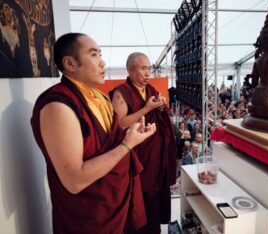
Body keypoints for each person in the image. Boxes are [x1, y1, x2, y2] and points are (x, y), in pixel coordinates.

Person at [30, 33, 157, 234]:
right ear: (70, 63)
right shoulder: (58, 106)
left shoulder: (99, 97)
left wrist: (132, 133)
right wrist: (127, 144)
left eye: (100, 54)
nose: (102, 62)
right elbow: (75, 180)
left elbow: (110, 138)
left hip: (116, 203)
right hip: (90, 218)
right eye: (94, 55)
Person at [111, 52, 177, 234]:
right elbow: (119, 125)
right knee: (144, 199)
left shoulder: (150, 90)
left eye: (149, 68)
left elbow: (160, 114)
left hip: (156, 155)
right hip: (139, 159)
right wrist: (147, 108)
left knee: (156, 197)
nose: (148, 73)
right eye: (143, 68)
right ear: (130, 70)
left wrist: (161, 106)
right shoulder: (121, 93)